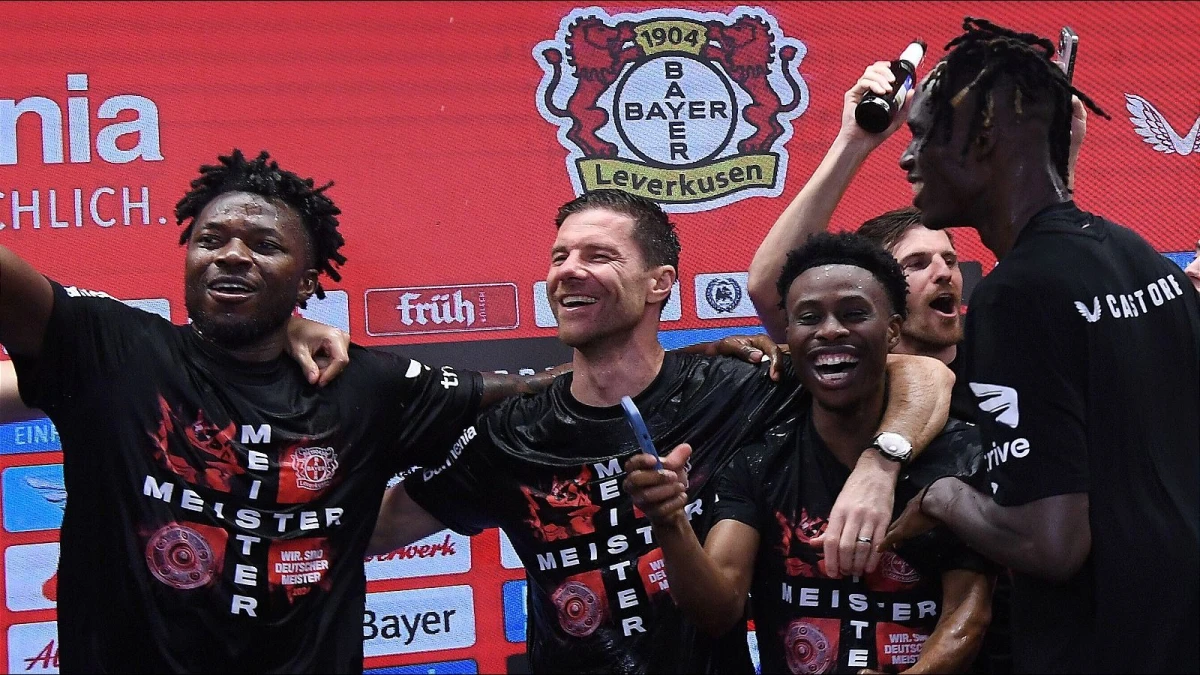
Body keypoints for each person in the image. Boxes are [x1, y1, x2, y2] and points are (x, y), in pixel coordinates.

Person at [0, 149, 558, 673]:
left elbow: (534, 392)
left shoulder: (367, 387)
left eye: (264, 245)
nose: (231, 255)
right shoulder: (114, 353)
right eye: (209, 239)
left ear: (308, 281)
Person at [368, 189, 956, 673]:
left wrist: (881, 463)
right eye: (559, 256)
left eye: (599, 255)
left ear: (659, 283)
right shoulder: (511, 433)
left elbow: (922, 374)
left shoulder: (737, 389)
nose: (568, 270)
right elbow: (370, 531)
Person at [881, 18, 1200, 674]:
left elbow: (1051, 544)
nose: (906, 158)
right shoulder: (1139, 257)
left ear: (984, 139)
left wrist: (942, 497)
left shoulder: (1015, 297)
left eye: (921, 133)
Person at [625, 232, 994, 674]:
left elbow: (968, 616)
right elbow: (718, 611)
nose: (830, 330)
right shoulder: (757, 461)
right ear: (789, 335)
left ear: (893, 330)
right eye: (809, 317)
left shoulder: (960, 452)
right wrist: (670, 522)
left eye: (854, 313)